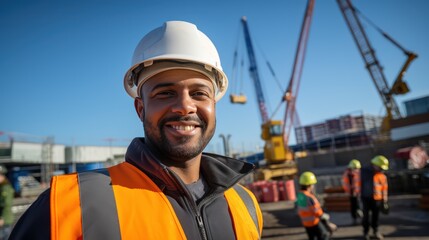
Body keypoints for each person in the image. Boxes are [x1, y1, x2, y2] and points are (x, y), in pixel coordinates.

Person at [10, 20, 263, 240]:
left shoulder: (244, 204)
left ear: (214, 104)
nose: (185, 106)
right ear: (140, 108)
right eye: (165, 93)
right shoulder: (69, 205)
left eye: (199, 93)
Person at [296, 171, 336, 240]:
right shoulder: (309, 197)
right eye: (312, 184)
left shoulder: (300, 195)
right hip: (314, 222)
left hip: (306, 223)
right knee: (324, 236)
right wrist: (327, 220)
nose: (313, 186)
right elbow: (317, 211)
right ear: (309, 185)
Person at [360, 155, 389, 240]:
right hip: (366, 198)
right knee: (366, 217)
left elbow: (384, 188)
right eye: (380, 167)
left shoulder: (382, 175)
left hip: (377, 199)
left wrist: (385, 200)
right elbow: (358, 184)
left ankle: (376, 231)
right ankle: (366, 233)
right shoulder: (364, 172)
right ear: (374, 164)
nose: (381, 169)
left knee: (375, 216)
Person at [342, 159, 362, 225]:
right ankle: (355, 218)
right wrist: (352, 192)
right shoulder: (349, 174)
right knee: (354, 206)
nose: (357, 170)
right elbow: (349, 185)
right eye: (356, 168)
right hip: (352, 193)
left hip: (357, 192)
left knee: (357, 205)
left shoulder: (355, 174)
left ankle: (358, 216)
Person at [0, 165, 14, 240]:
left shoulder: (6, 188)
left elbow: (6, 204)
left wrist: (3, 218)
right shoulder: (1, 187)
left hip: (4, 220)